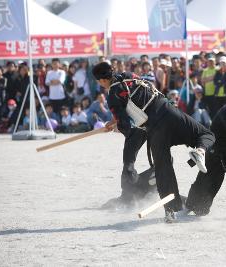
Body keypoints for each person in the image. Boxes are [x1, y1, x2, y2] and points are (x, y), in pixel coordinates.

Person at [92, 62, 215, 222]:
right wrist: (114, 120)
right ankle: (200, 150)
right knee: (205, 134)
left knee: (163, 169)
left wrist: (118, 126)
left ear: (101, 81)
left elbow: (125, 124)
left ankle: (170, 211)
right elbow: (138, 98)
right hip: (169, 111)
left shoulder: (112, 95)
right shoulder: (128, 76)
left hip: (156, 128)